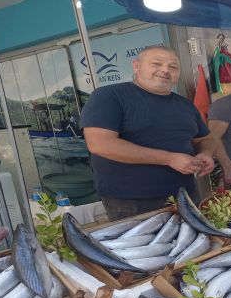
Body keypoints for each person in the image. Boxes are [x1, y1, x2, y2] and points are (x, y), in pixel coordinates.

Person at [80, 46, 216, 221]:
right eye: (156, 63)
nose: (165, 70)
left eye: (173, 67)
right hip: (131, 202)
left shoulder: (186, 105)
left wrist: (206, 153)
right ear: (136, 66)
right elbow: (100, 144)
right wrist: (169, 158)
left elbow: (205, 138)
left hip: (185, 194)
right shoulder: (109, 96)